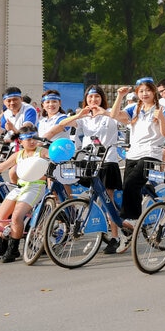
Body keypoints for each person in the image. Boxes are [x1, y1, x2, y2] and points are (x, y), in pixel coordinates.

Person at [55, 85, 127, 251]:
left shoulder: (109, 115)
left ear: (102, 99)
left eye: (97, 97)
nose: (93, 100)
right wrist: (79, 114)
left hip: (107, 160)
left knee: (107, 200)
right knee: (89, 196)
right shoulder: (84, 118)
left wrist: (110, 107)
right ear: (86, 99)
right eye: (90, 97)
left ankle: (116, 236)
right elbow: (62, 125)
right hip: (88, 161)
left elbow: (118, 117)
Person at [110, 78, 165, 242]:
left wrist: (161, 119)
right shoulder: (134, 109)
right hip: (133, 153)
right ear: (137, 93)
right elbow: (114, 115)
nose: (144, 94)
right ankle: (152, 199)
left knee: (131, 183)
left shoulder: (163, 109)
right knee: (129, 187)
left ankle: (133, 219)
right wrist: (120, 96)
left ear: (154, 92)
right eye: (141, 91)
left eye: (148, 90)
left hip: (152, 153)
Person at [0, 123, 49, 263]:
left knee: (16, 217)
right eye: (28, 138)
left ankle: (13, 249)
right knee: (0, 215)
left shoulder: (42, 152)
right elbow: (0, 167)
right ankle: (1, 245)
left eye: (34, 138)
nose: (32, 141)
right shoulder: (18, 154)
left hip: (36, 187)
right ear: (20, 141)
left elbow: (54, 158)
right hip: (20, 187)